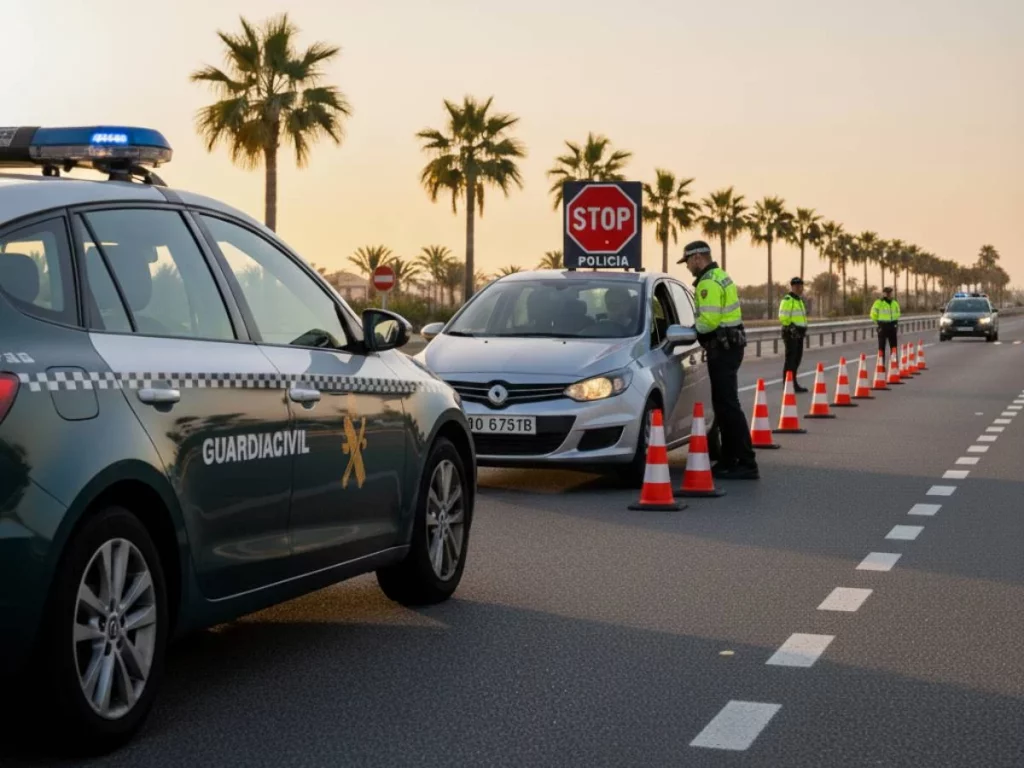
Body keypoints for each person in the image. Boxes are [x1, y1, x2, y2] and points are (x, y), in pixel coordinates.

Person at [679, 240, 759, 480]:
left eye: (688, 262)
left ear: (697, 258)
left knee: (728, 406)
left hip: (722, 348)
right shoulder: (721, 276)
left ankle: (745, 461)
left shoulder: (708, 282)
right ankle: (730, 458)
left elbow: (709, 321)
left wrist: (692, 331)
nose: (688, 268)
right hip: (730, 347)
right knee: (725, 406)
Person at [779, 277, 809, 392]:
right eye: (797, 286)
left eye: (801, 286)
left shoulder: (799, 300)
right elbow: (783, 317)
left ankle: (793, 382)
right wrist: (792, 328)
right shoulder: (788, 300)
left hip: (799, 333)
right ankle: (788, 384)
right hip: (791, 333)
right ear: (792, 287)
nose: (799, 288)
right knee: (790, 360)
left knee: (797, 359)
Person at [870, 286, 901, 359]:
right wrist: (878, 323)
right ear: (883, 294)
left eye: (890, 293)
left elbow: (898, 313)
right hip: (882, 326)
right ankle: (881, 364)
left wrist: (895, 323)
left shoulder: (894, 303)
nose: (889, 294)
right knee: (881, 347)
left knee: (893, 346)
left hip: (892, 325)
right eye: (887, 293)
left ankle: (894, 364)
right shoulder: (878, 303)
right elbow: (873, 314)